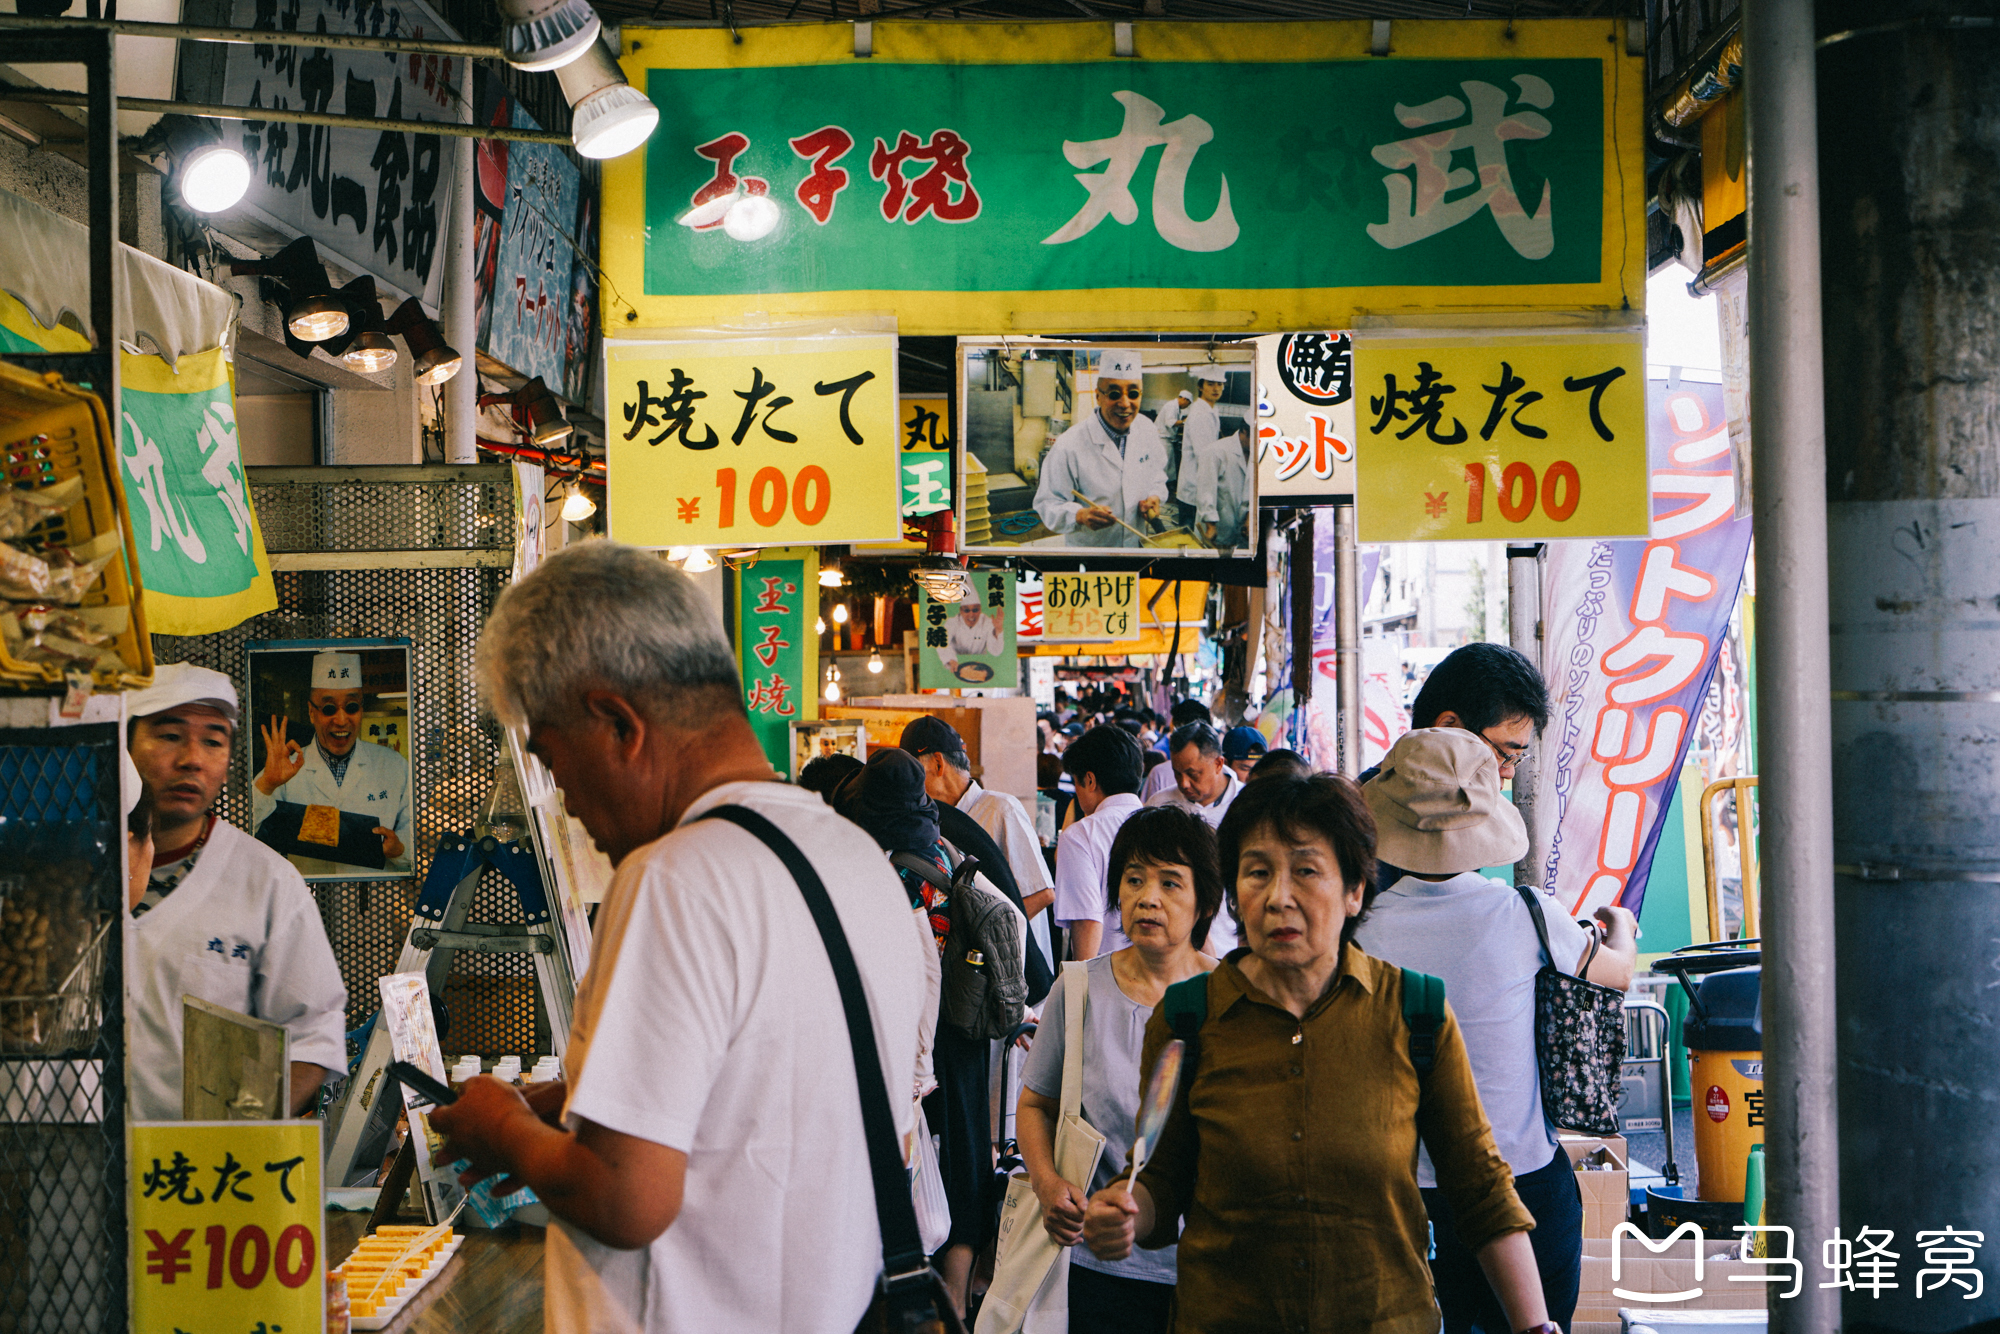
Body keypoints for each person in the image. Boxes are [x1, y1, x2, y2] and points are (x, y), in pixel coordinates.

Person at [429, 541, 930, 1334]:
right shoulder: (851, 857)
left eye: (554, 758)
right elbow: (768, 1091)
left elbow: (625, 1197)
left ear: (619, 724)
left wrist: (506, 1130)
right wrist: (571, 1103)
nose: (567, 803)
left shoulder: (673, 878)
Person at [1080, 774, 1558, 1334]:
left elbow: (1480, 1188)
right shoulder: (1188, 1019)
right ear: (1234, 893)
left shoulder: (1416, 1013)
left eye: (1306, 871)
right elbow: (1164, 1183)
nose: (1279, 896)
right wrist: (1128, 1215)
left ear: (1355, 889)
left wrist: (1537, 1328)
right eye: (1257, 872)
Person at [1355, 729, 1638, 1334]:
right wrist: (1623, 928)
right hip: (1523, 1184)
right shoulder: (1525, 914)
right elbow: (1617, 974)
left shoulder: (1358, 931)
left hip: (1402, 1191)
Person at [1018, 807, 1221, 1334]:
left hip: (1202, 1270)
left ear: (1204, 902)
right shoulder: (1079, 988)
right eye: (1133, 880)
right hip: (1095, 1262)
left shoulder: (1230, 998)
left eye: (1170, 882)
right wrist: (1046, 1183)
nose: (1147, 897)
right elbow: (1035, 1103)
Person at [125, 663, 348, 1121]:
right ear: (122, 746)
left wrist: (241, 1134)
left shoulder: (268, 882)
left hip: (196, 1177)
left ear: (227, 762)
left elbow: (312, 1036)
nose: (192, 758)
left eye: (213, 740)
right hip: (59, 1173)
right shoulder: (64, 871)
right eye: (169, 735)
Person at [834, 750, 1007, 1317]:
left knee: (913, 1180)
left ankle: (921, 1305)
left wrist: (916, 1068)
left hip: (916, 1045)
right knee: (962, 1167)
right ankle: (955, 1309)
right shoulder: (945, 845)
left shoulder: (887, 866)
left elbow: (919, 969)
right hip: (964, 1039)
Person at [1365, 641, 1553, 888]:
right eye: (1503, 753)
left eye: (1516, 757)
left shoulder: (1466, 807)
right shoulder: (1348, 820)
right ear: (1447, 727)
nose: (1509, 771)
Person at [902, 715, 1057, 962]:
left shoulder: (1000, 810)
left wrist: (981, 943)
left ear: (939, 764)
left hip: (1020, 975)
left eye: (914, 772)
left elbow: (1042, 893)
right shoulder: (933, 822)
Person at [251, 650, 412, 873]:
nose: (341, 720)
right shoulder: (283, 770)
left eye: (352, 707)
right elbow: (242, 835)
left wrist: (400, 849)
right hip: (308, 898)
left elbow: (417, 837)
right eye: (328, 709)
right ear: (311, 712)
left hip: (376, 897)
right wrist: (266, 785)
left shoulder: (394, 766)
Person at [1032, 350, 1168, 548]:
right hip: (1092, 552)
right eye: (1114, 394)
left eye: (1133, 393)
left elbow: (1157, 475)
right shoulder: (1069, 445)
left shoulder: (1147, 429)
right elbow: (1048, 503)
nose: (1124, 403)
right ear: (1098, 395)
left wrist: (1154, 496)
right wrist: (1079, 515)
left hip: (1137, 547)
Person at [1053, 725, 1146, 961]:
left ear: (1090, 780)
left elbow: (1087, 919)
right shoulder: (1170, 825)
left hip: (1111, 981)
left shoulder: (1080, 835)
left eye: (1076, 784)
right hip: (1169, 981)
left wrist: (1078, 994)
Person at [1173, 365, 1227, 517]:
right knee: (1192, 536)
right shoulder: (1200, 414)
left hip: (1200, 486)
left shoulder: (1210, 410)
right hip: (1194, 487)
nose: (1216, 388)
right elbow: (1204, 455)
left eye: (1220, 384)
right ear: (1200, 386)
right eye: (1210, 384)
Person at [1197, 420, 1253, 549]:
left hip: (1242, 532)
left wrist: (1250, 516)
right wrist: (1210, 525)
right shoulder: (1215, 451)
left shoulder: (1257, 454)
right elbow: (1206, 491)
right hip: (1217, 530)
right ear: (1244, 431)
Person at [1142, 700, 1211, 801]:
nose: (1184, 784)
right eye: (1177, 774)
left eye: (1193, 774)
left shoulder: (1160, 773)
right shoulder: (1159, 773)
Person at [938, 600, 1007, 674]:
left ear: (980, 610)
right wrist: (951, 659)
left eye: (975, 610)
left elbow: (995, 652)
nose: (971, 615)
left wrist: (998, 630)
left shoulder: (986, 621)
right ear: (961, 611)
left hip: (980, 668)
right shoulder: (952, 622)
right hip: (955, 665)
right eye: (966, 610)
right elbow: (942, 643)